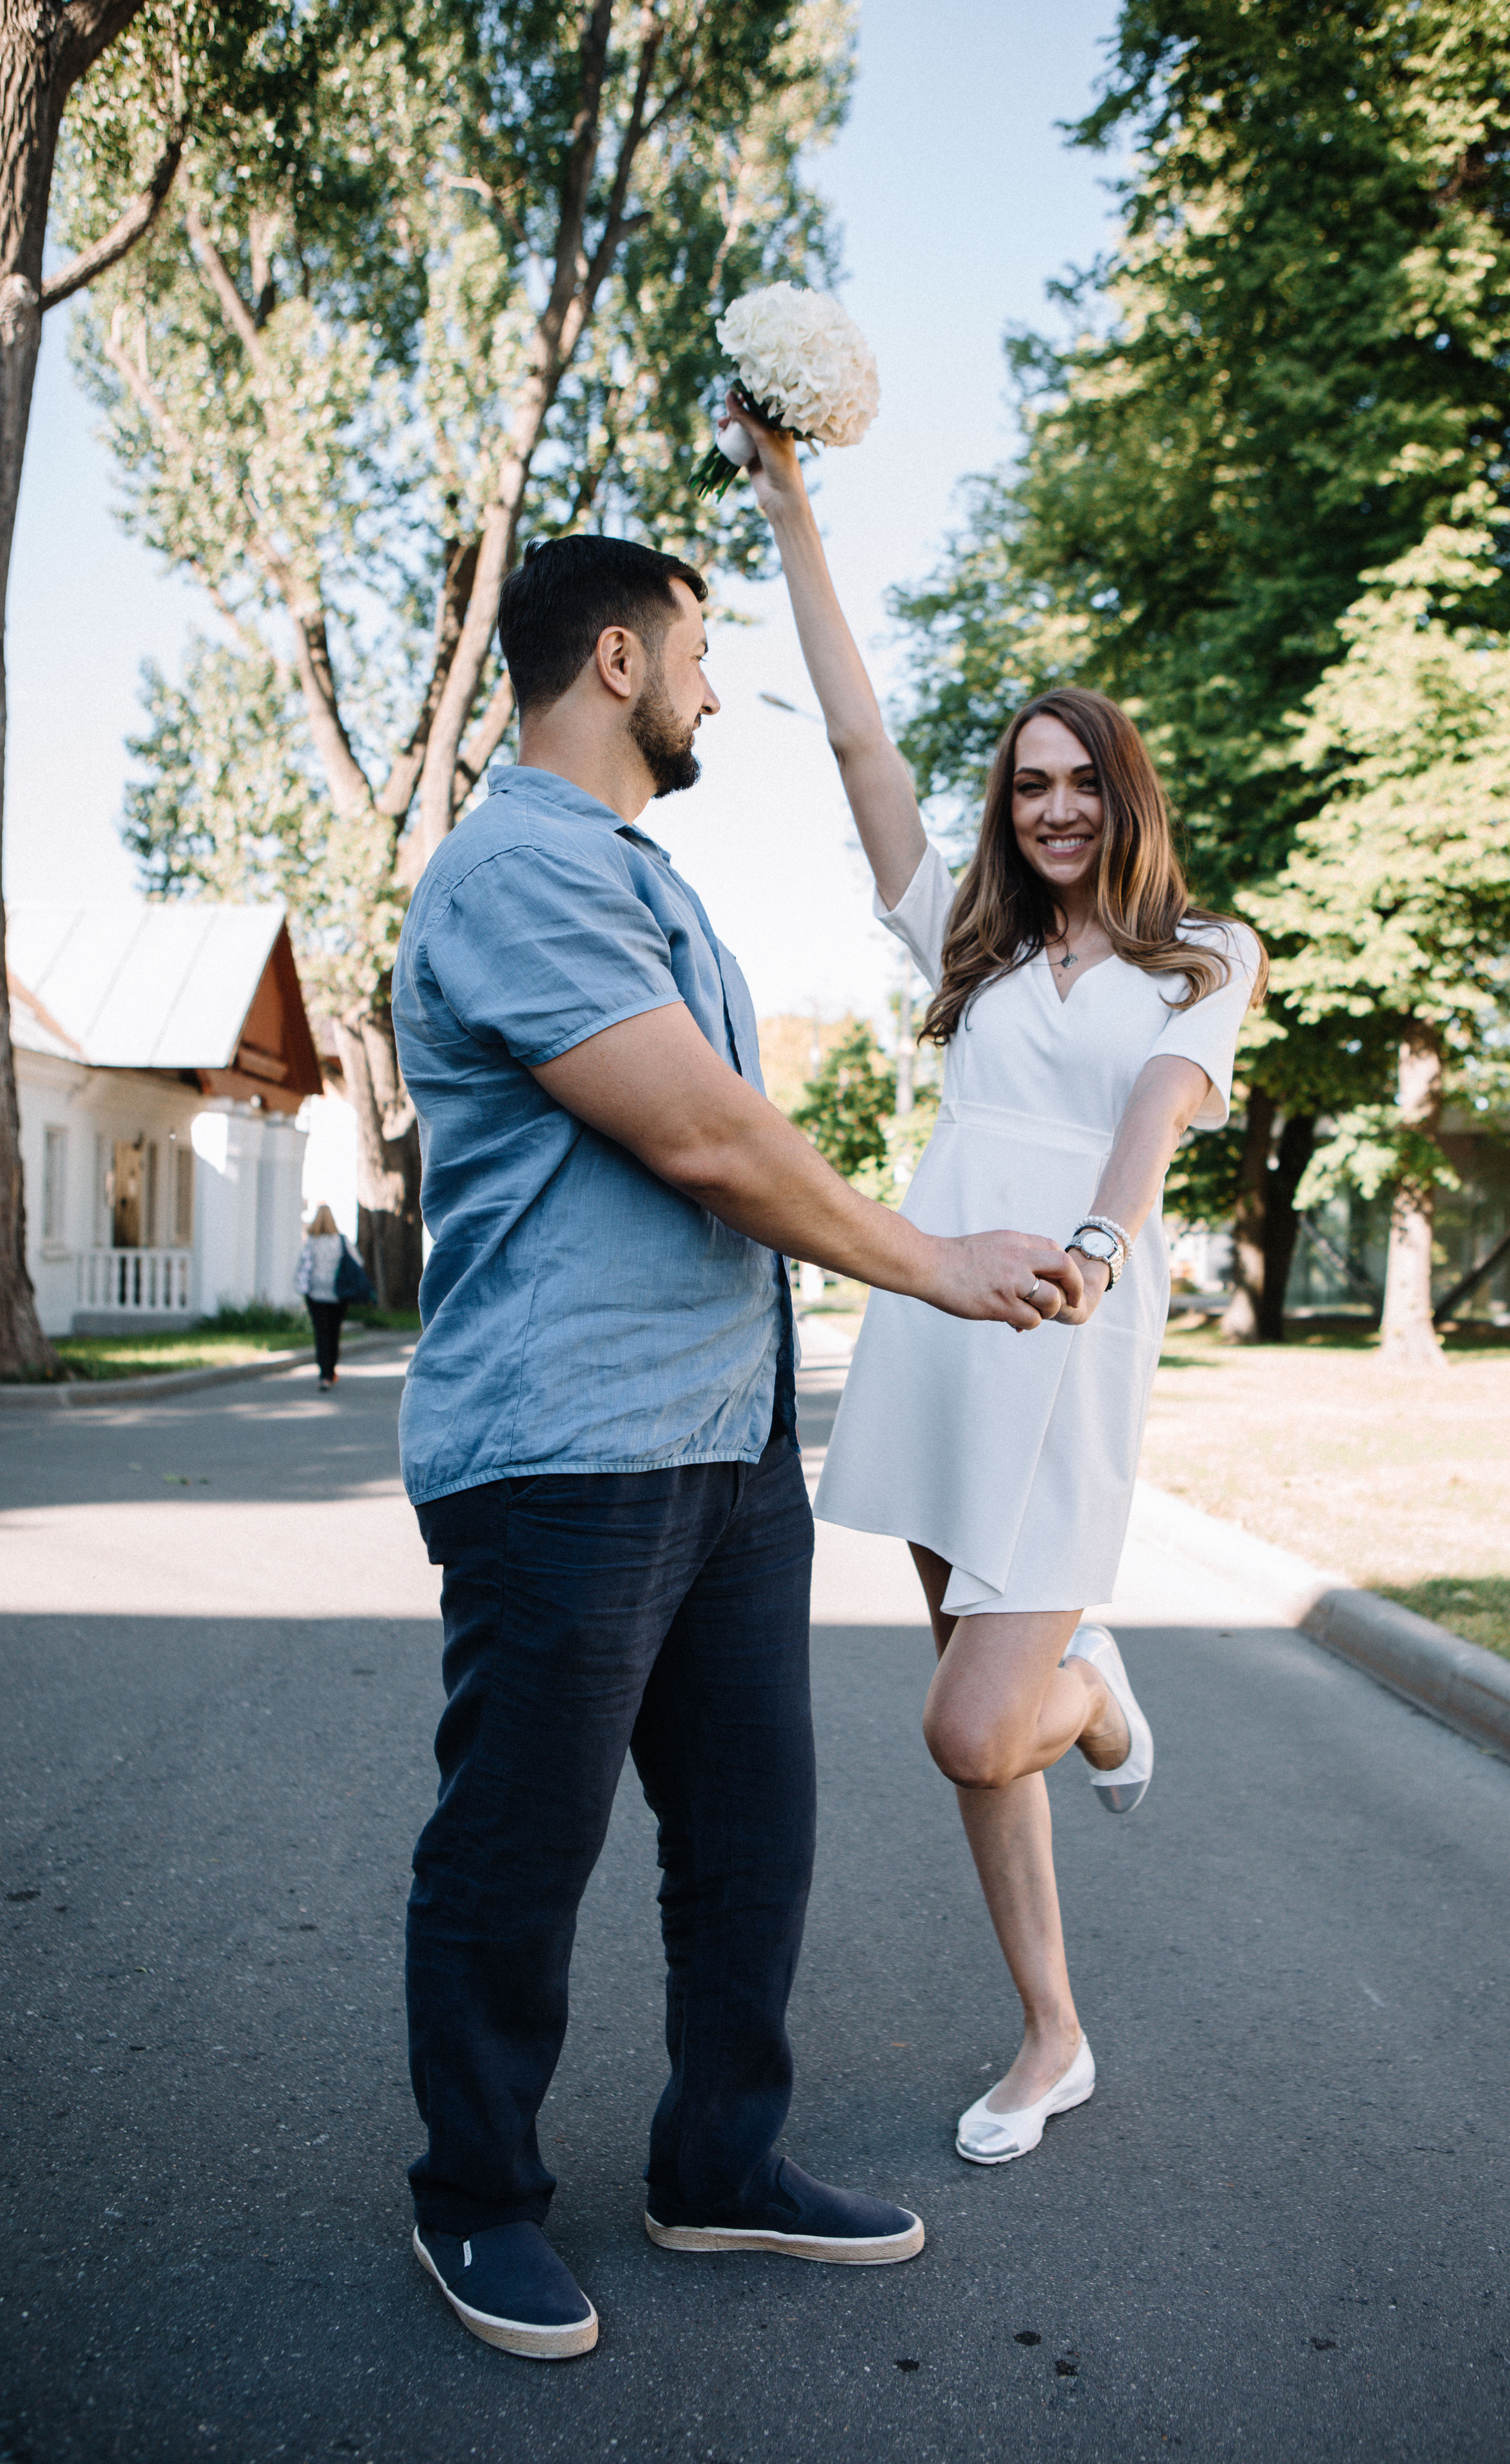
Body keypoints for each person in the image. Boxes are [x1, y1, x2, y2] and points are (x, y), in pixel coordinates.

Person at [390, 533, 1086, 2362]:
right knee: (518, 1851)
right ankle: (473, 2199)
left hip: (720, 1445)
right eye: (695, 652)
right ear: (615, 661)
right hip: (566, 1453)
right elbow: (704, 1141)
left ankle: (721, 2163)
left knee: (751, 1840)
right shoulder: (516, 875)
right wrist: (932, 1265)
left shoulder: (644, 878)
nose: (712, 690)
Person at [731, 398, 1265, 2172]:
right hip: (940, 1327)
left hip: (1065, 1330)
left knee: (978, 1721)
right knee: (977, 1733)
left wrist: (1103, 1256)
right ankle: (1053, 2034)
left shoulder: (1205, 959)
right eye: (1026, 783)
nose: (1050, 806)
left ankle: (1097, 1692)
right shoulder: (961, 948)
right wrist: (794, 503)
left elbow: (1157, 1125)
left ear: (1124, 792)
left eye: (1078, 779)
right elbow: (859, 738)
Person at [293, 1204, 364, 1390]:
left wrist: (303, 1288)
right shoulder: (341, 1241)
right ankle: (331, 1372)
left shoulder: (312, 1242)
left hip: (316, 1294)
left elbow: (304, 1268)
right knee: (334, 1333)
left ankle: (324, 1375)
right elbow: (358, 1262)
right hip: (338, 1294)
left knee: (321, 1334)